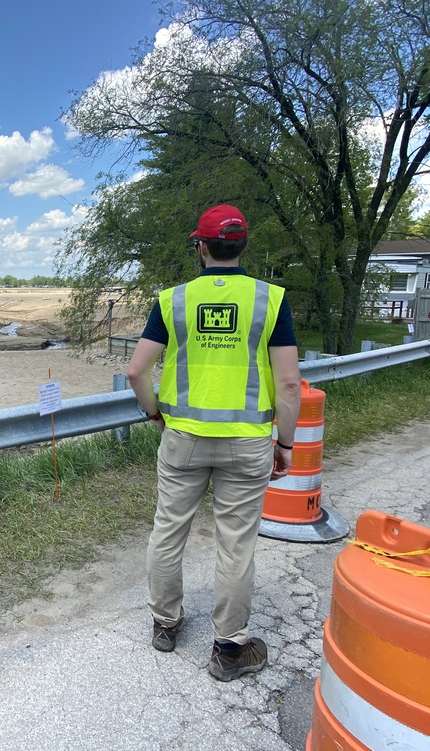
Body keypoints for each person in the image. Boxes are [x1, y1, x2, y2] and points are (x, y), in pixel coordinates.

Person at [127, 204, 301, 682]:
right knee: (236, 544)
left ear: (200, 246)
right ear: (242, 246)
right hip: (248, 444)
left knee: (168, 530)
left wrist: (154, 413)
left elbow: (136, 370)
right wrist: (285, 443)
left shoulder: (173, 301)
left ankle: (165, 625)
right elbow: (289, 386)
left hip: (182, 439)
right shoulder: (270, 300)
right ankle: (228, 651)